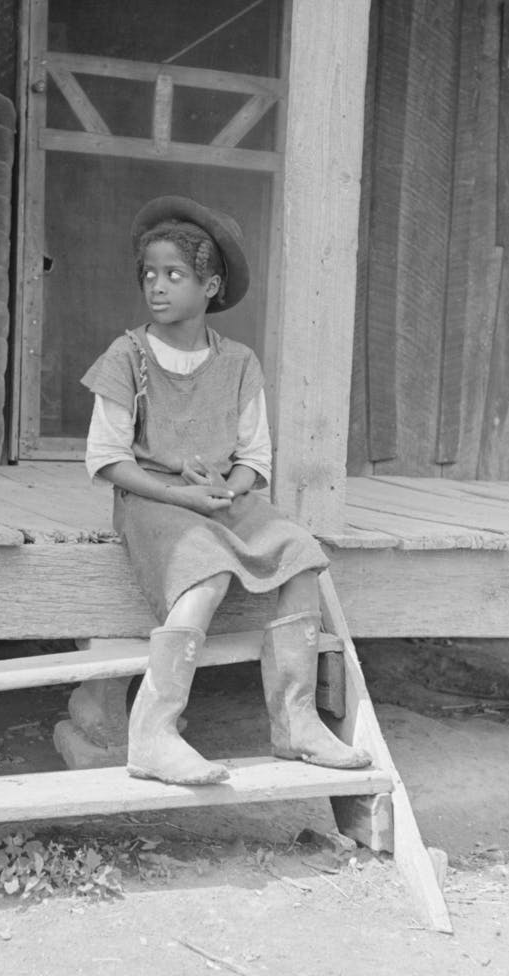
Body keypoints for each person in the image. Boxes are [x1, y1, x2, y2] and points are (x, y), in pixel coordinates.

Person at [81, 195, 371, 786]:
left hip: (219, 494)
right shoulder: (127, 357)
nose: (157, 287)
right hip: (153, 500)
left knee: (298, 552)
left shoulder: (238, 362)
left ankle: (296, 722)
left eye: (174, 275)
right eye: (149, 275)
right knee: (207, 567)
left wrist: (228, 485)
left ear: (210, 285)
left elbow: (254, 459)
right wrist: (182, 497)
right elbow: (107, 459)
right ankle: (154, 733)